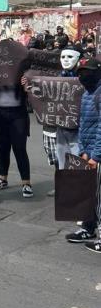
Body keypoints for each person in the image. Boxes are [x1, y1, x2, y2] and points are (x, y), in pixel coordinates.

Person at [65, 58, 101, 248]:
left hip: (98, 153)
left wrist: (96, 155)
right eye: (81, 72)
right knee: (86, 193)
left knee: (99, 196)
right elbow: (84, 124)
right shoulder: (87, 92)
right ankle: (88, 228)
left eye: (88, 72)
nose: (83, 76)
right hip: (89, 151)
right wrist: (83, 151)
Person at [0, 83, 33, 198]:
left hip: (18, 113)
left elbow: (35, 91)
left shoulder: (22, 71)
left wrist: (26, 85)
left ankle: (26, 183)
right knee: (2, 148)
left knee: (20, 148)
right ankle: (3, 179)